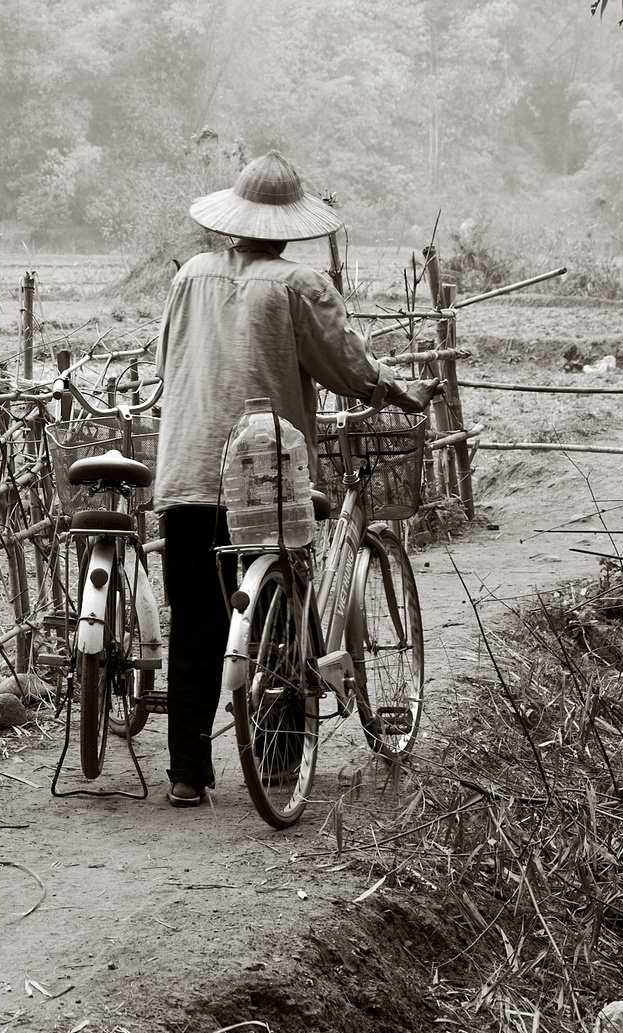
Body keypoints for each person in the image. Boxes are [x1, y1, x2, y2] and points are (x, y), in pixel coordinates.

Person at [154, 150, 439, 808]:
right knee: (281, 618)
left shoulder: (190, 276)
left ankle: (188, 774)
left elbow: (167, 357)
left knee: (195, 620)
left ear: (234, 219)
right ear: (288, 226)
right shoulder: (298, 285)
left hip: (188, 474)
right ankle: (280, 765)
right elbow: (349, 369)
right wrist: (397, 391)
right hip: (263, 485)